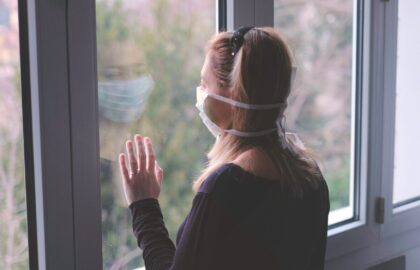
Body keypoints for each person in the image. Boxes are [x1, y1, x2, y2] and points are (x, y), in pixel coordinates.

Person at [118, 26, 330, 270]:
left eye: (204, 84)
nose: (201, 94)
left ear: (235, 94)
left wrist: (144, 205)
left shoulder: (226, 188)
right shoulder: (310, 176)